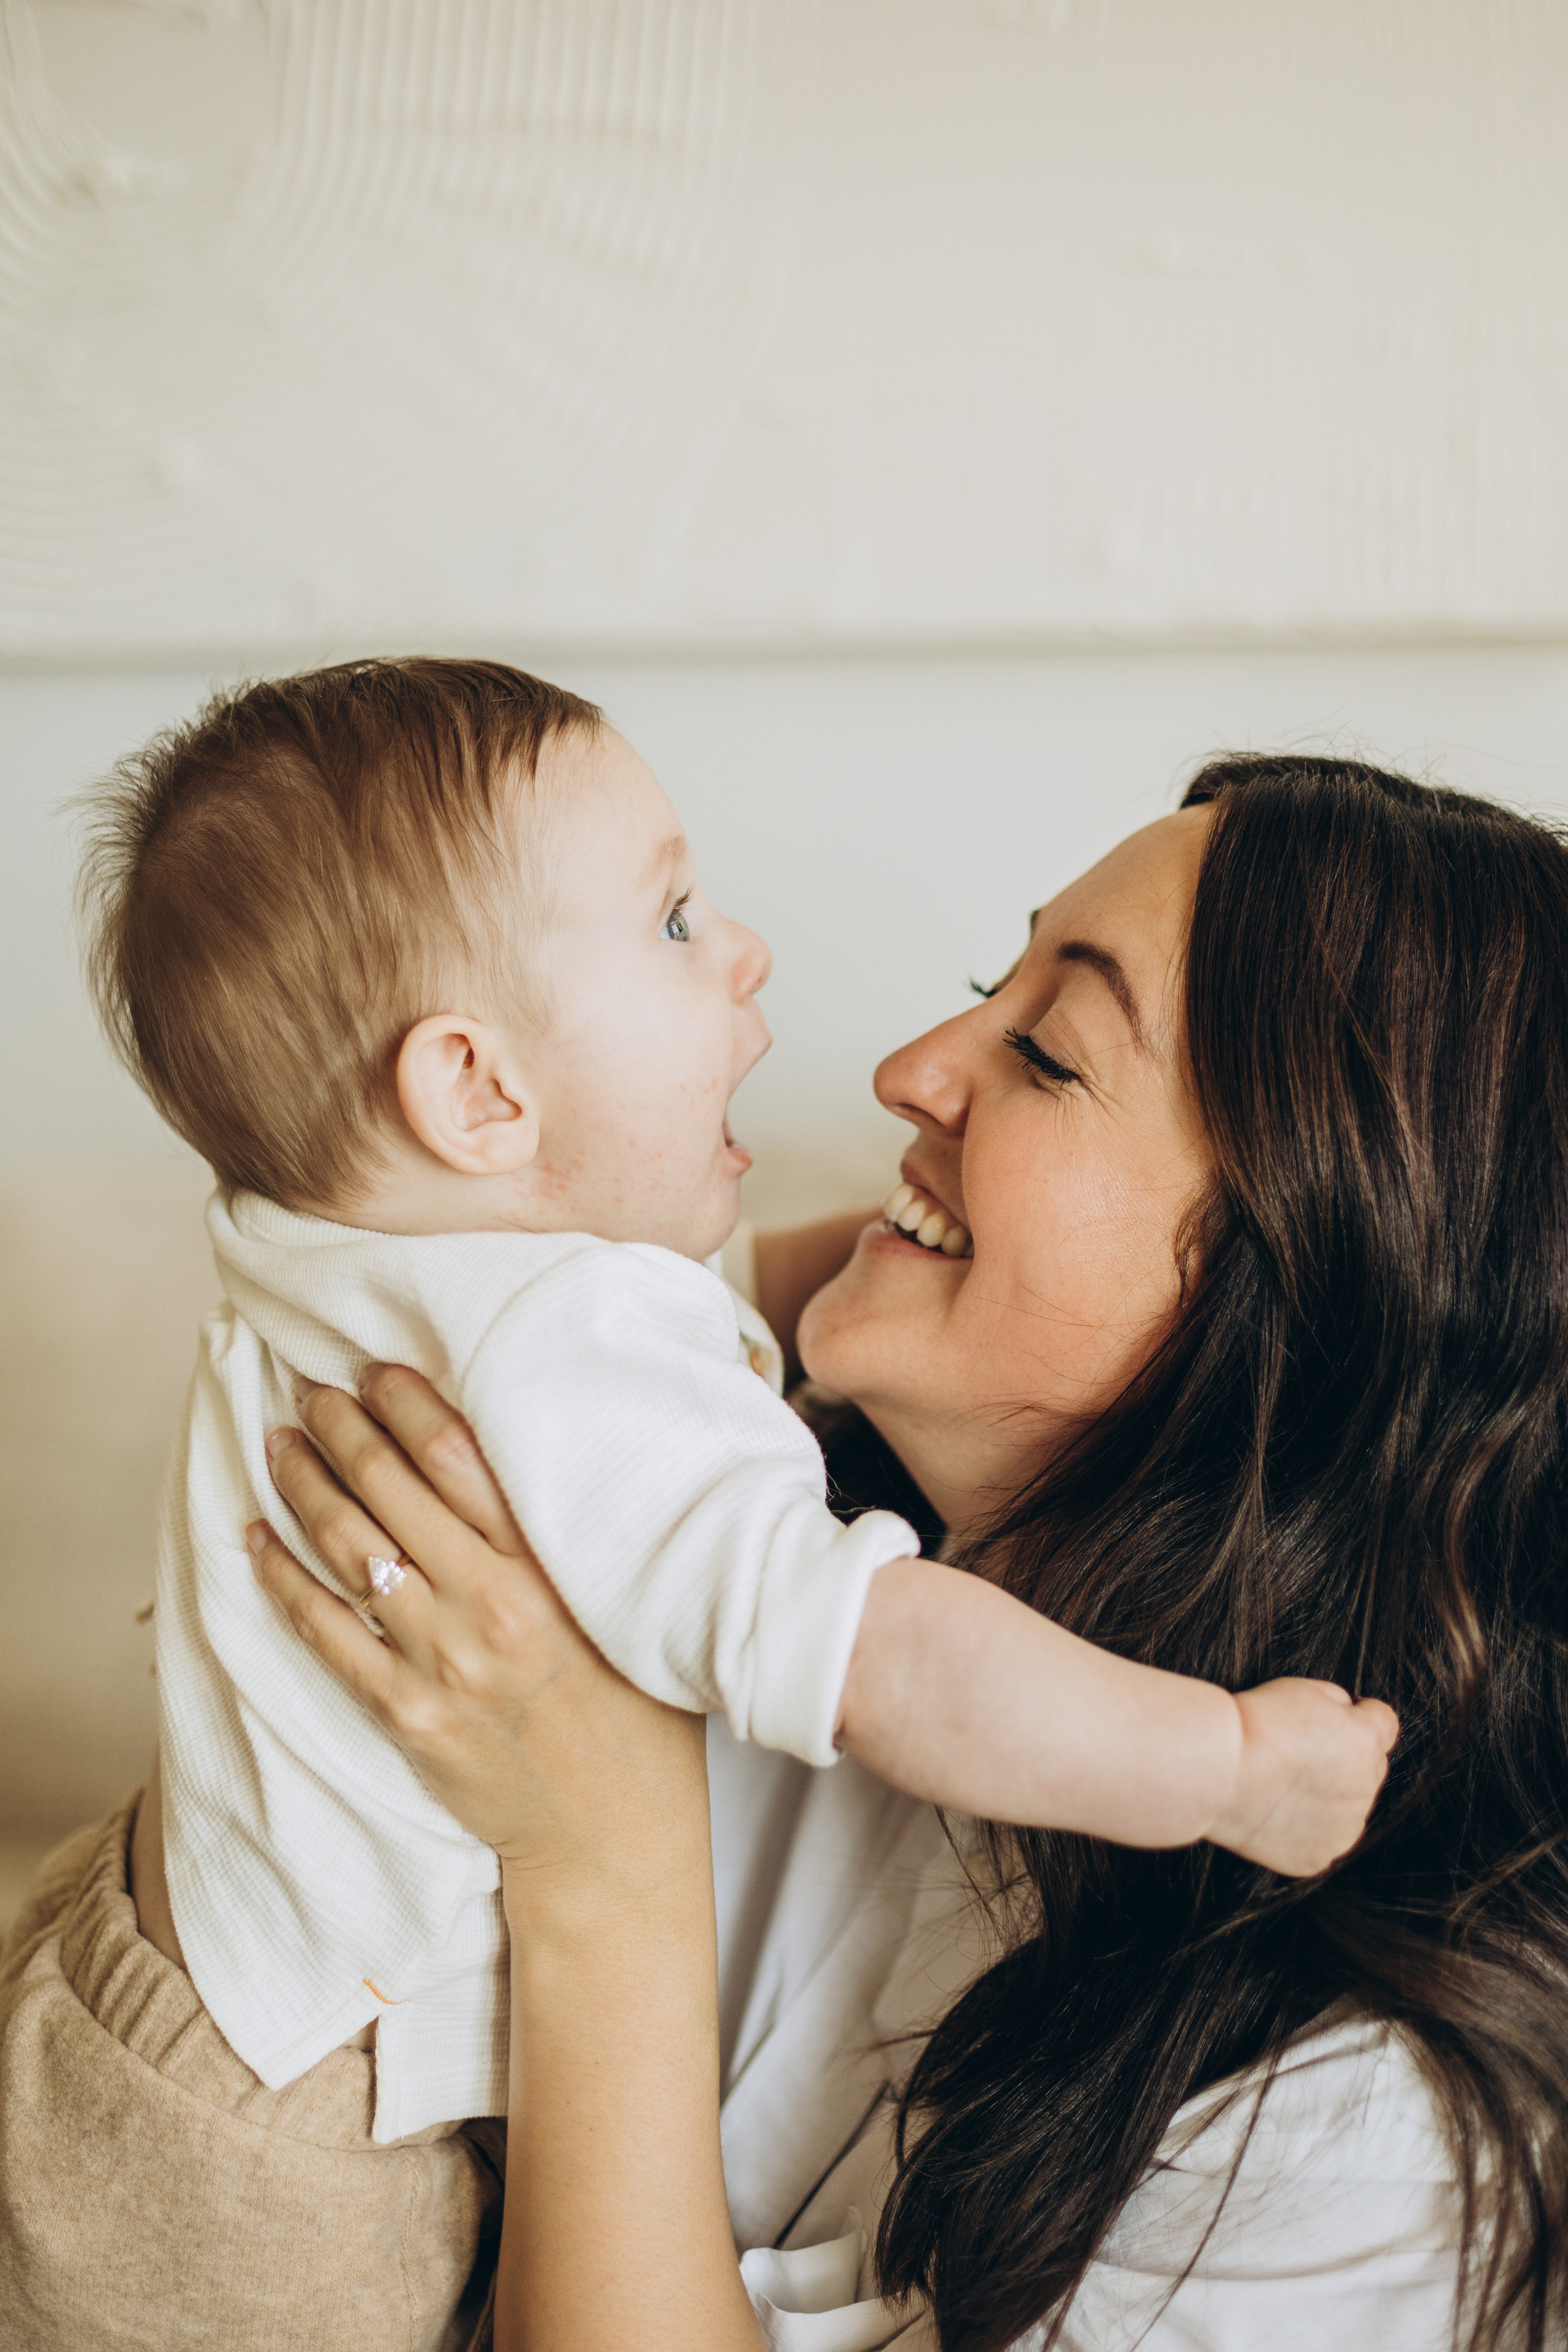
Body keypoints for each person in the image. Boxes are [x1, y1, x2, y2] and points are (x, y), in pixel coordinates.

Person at [0, 676, 1389, 2342]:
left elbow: (716, 1297)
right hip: (271, 2138)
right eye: (673, 921)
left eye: (1041, 1045)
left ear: (1321, 1280)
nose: (891, 1061)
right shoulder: (572, 1350)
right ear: (477, 1093)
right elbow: (877, 1649)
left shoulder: (428, 1270)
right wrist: (1225, 1762)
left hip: (142, 1988)